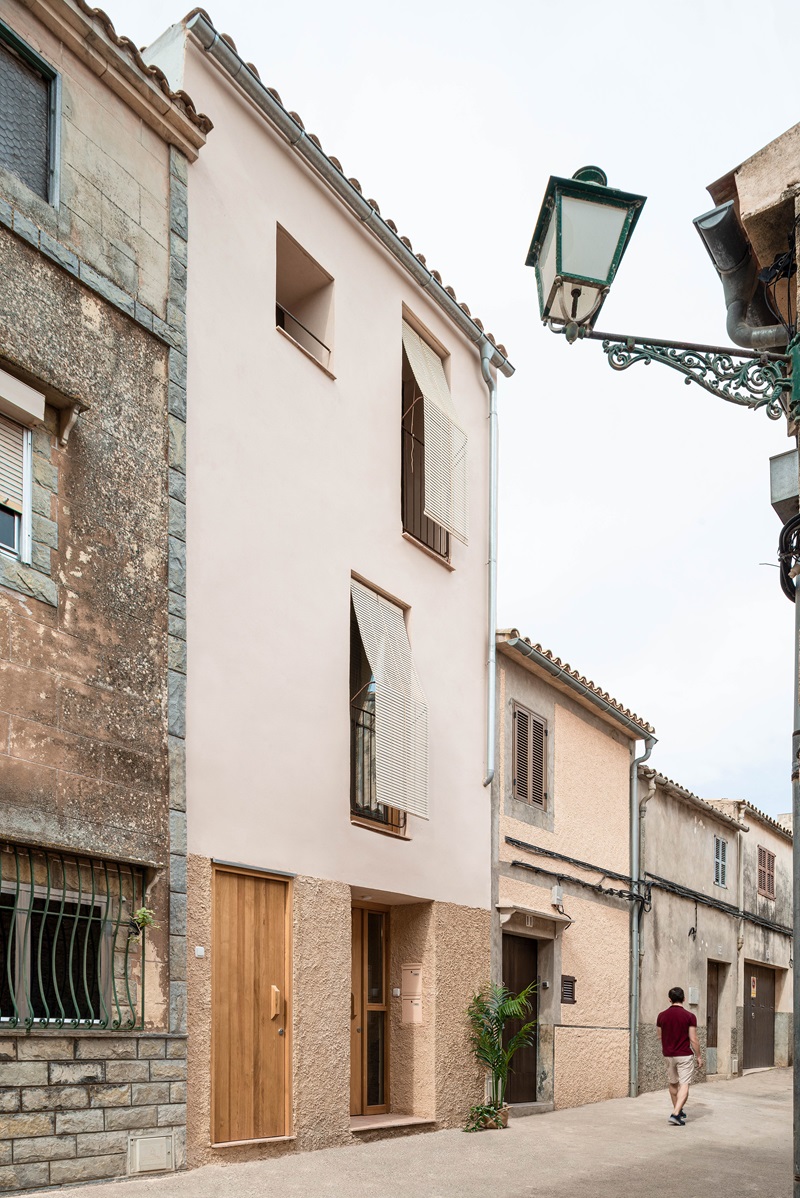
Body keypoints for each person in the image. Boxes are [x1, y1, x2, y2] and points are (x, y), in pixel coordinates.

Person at [656, 986, 703, 1126]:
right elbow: (694, 1039)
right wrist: (699, 1056)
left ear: (669, 999)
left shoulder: (661, 1016)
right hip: (684, 1055)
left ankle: (678, 1108)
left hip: (668, 1054)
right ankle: (676, 1114)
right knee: (684, 1084)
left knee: (672, 1083)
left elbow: (659, 1036)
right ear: (684, 999)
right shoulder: (689, 1016)